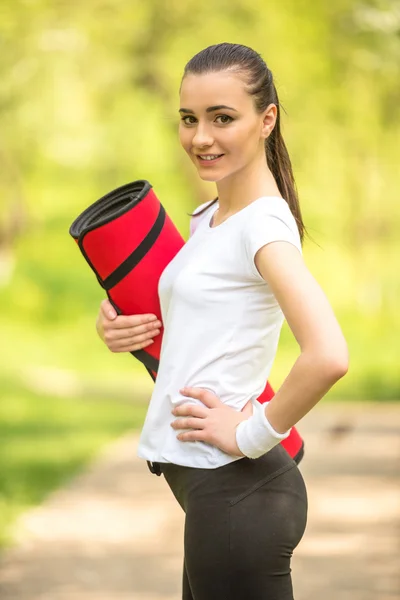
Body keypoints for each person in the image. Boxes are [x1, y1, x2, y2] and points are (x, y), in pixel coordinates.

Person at [96, 43, 349, 600]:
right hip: (216, 495)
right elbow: (203, 321)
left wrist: (252, 430)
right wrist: (115, 325)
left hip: (240, 495)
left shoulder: (262, 227)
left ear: (267, 119)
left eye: (222, 118)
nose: (200, 137)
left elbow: (328, 354)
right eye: (189, 119)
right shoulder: (213, 217)